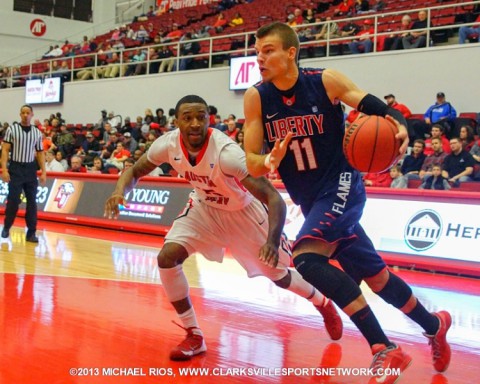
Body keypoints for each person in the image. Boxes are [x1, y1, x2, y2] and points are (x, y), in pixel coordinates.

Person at [243, 22, 452, 383]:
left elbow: (374, 106)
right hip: (312, 201)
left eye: (269, 50)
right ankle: (435, 325)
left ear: (291, 52)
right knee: (376, 277)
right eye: (257, 51)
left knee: (306, 259)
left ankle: (383, 348)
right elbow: (251, 160)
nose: (260, 57)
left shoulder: (325, 81)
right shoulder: (257, 97)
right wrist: (267, 162)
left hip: (342, 185)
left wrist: (399, 124)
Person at [104, 95, 343, 361]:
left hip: (243, 213)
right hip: (204, 208)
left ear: (209, 119)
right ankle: (193, 334)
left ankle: (321, 302)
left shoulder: (227, 154)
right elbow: (134, 171)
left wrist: (272, 242)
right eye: (188, 118)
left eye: (201, 117)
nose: (195, 123)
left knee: (279, 276)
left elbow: (274, 199)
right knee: (167, 258)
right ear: (177, 122)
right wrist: (118, 192)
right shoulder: (167, 145)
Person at [1, 104, 46, 243]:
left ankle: (31, 233)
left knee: (32, 202)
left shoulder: (37, 133)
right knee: (14, 200)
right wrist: (4, 169)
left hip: (30, 169)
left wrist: (43, 171)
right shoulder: (12, 130)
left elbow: (40, 152)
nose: (25, 115)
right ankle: (7, 226)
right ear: (20, 114)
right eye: (23, 113)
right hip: (16, 168)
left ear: (32, 114)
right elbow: (5, 150)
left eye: (28, 113)